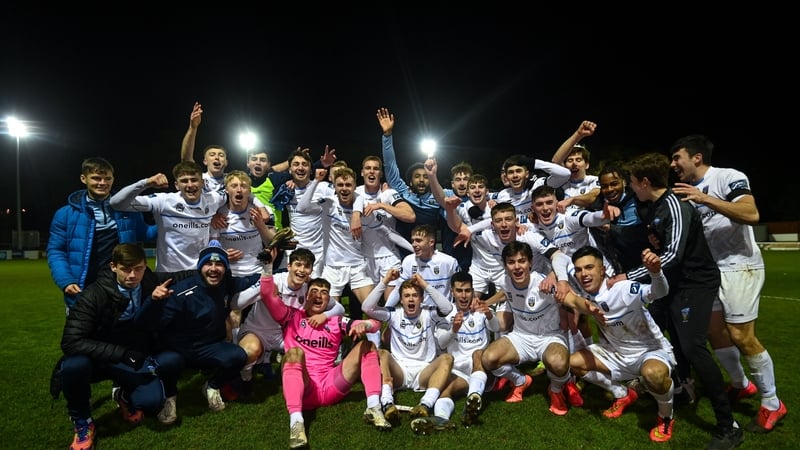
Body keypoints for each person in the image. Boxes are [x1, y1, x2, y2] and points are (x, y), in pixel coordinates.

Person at [609, 152, 744, 449]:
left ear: (645, 182)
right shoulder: (656, 207)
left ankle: (728, 424)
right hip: (674, 284)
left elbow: (671, 256)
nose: (631, 188)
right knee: (671, 341)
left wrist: (628, 276)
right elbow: (664, 247)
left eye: (632, 182)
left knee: (694, 347)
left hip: (694, 283)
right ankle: (683, 390)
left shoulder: (674, 205)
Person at [670, 134, 786, 433]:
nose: (673, 164)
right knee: (714, 331)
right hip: (711, 271)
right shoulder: (686, 190)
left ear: (696, 157)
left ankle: (772, 402)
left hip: (739, 265)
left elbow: (751, 213)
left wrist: (706, 198)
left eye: (676, 158)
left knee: (741, 335)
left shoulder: (728, 177)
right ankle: (740, 384)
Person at [56, 243, 192, 450]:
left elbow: (180, 276)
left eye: (138, 268)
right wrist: (121, 354)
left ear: (145, 266)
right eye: (126, 269)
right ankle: (82, 421)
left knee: (152, 403)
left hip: (130, 357)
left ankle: (124, 395)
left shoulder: (149, 281)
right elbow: (71, 341)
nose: (132, 275)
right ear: (113, 266)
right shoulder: (93, 294)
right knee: (73, 365)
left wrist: (211, 263)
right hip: (99, 358)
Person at [257, 252, 391, 449]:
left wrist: (365, 326)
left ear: (329, 299)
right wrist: (267, 268)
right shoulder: (292, 317)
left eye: (324, 292)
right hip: (304, 388)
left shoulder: (336, 321)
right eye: (314, 291)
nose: (318, 295)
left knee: (367, 346)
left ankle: (373, 407)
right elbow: (269, 295)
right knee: (294, 353)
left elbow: (375, 323)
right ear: (306, 296)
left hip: (331, 386)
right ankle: (296, 423)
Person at [480, 241, 605, 416]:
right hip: (521, 337)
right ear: (505, 265)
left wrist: (587, 306)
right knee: (488, 358)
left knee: (559, 363)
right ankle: (521, 380)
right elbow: (504, 294)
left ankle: (555, 390)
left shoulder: (544, 284)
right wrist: (485, 305)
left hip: (550, 337)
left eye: (522, 261)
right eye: (511, 262)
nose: (517, 267)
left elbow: (570, 299)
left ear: (530, 263)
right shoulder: (505, 282)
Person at [135, 240, 261, 414]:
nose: (213, 268)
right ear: (200, 267)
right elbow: (146, 324)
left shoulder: (227, 283)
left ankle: (212, 386)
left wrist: (283, 272)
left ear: (226, 268)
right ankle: (170, 396)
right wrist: (153, 301)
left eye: (219, 264)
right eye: (208, 263)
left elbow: (253, 279)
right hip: (179, 349)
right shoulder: (180, 292)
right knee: (167, 362)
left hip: (209, 347)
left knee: (238, 356)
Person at [570, 245, 676, 442]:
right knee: (574, 362)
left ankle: (666, 416)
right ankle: (623, 393)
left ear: (602, 270)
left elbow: (659, 292)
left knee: (653, 374)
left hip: (649, 352)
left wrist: (656, 273)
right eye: (578, 269)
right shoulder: (585, 294)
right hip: (615, 353)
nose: (583, 274)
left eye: (589, 267)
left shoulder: (622, 288)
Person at [47, 157, 156, 314]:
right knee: (81, 335)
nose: (102, 183)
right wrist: (65, 280)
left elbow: (146, 233)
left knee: (123, 334)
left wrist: (170, 220)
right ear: (83, 179)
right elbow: (56, 250)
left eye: (107, 178)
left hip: (121, 286)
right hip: (83, 287)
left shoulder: (127, 208)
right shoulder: (65, 214)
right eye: (96, 178)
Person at [231, 248, 345, 397]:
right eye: (298, 265)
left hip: (286, 337)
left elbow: (340, 309)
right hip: (258, 332)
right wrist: (261, 289)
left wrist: (324, 315)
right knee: (250, 351)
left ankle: (312, 385)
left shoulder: (308, 288)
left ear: (311, 270)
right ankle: (246, 379)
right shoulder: (274, 280)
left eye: (306, 266)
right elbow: (236, 304)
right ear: (289, 266)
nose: (302, 270)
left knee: (309, 353)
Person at [409, 271, 500, 434]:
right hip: (459, 372)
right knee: (445, 390)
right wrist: (453, 330)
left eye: (467, 291)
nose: (464, 296)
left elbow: (497, 328)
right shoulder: (446, 314)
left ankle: (473, 398)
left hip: (481, 369)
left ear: (473, 291)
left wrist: (488, 313)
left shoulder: (480, 309)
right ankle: (441, 419)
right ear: (452, 291)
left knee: (478, 353)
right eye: (459, 291)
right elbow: (442, 343)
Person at [361, 269, 455, 424]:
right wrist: (385, 281)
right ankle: (387, 402)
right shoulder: (393, 313)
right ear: (401, 300)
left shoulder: (429, 313)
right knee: (382, 353)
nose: (411, 300)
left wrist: (425, 285)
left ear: (421, 298)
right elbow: (367, 307)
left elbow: (447, 308)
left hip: (425, 371)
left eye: (415, 295)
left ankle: (425, 404)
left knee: (447, 358)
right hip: (400, 370)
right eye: (406, 296)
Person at [110, 161, 226, 272]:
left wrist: (217, 213)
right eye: (184, 181)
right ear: (177, 185)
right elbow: (116, 204)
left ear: (202, 183)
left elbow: (237, 194)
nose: (190, 185)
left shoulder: (213, 200)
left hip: (199, 271)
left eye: (194, 180)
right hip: (168, 273)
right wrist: (145, 183)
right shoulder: (164, 201)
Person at [351, 154, 416, 301]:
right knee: (369, 307)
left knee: (389, 305)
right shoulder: (355, 193)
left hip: (389, 257)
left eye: (376, 169)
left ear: (381, 173)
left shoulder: (388, 194)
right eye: (368, 168)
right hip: (364, 258)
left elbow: (410, 215)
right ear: (362, 172)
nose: (372, 172)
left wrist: (381, 205)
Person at [383, 224, 461, 308]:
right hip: (420, 313)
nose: (414, 244)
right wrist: (387, 308)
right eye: (412, 241)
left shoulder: (449, 262)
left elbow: (460, 288)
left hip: (443, 311)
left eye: (418, 240)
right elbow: (398, 289)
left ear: (431, 242)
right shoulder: (408, 261)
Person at [550, 120, 600, 213]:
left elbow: (593, 197)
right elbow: (555, 162)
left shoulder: (595, 180)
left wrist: (571, 200)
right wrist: (578, 134)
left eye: (578, 160)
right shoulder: (561, 182)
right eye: (570, 160)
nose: (574, 163)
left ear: (587, 165)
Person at [179, 101, 228, 193]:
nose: (217, 157)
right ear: (205, 161)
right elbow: (186, 159)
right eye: (212, 155)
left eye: (221, 155)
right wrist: (193, 128)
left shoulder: (232, 180)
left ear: (226, 162)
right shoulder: (199, 179)